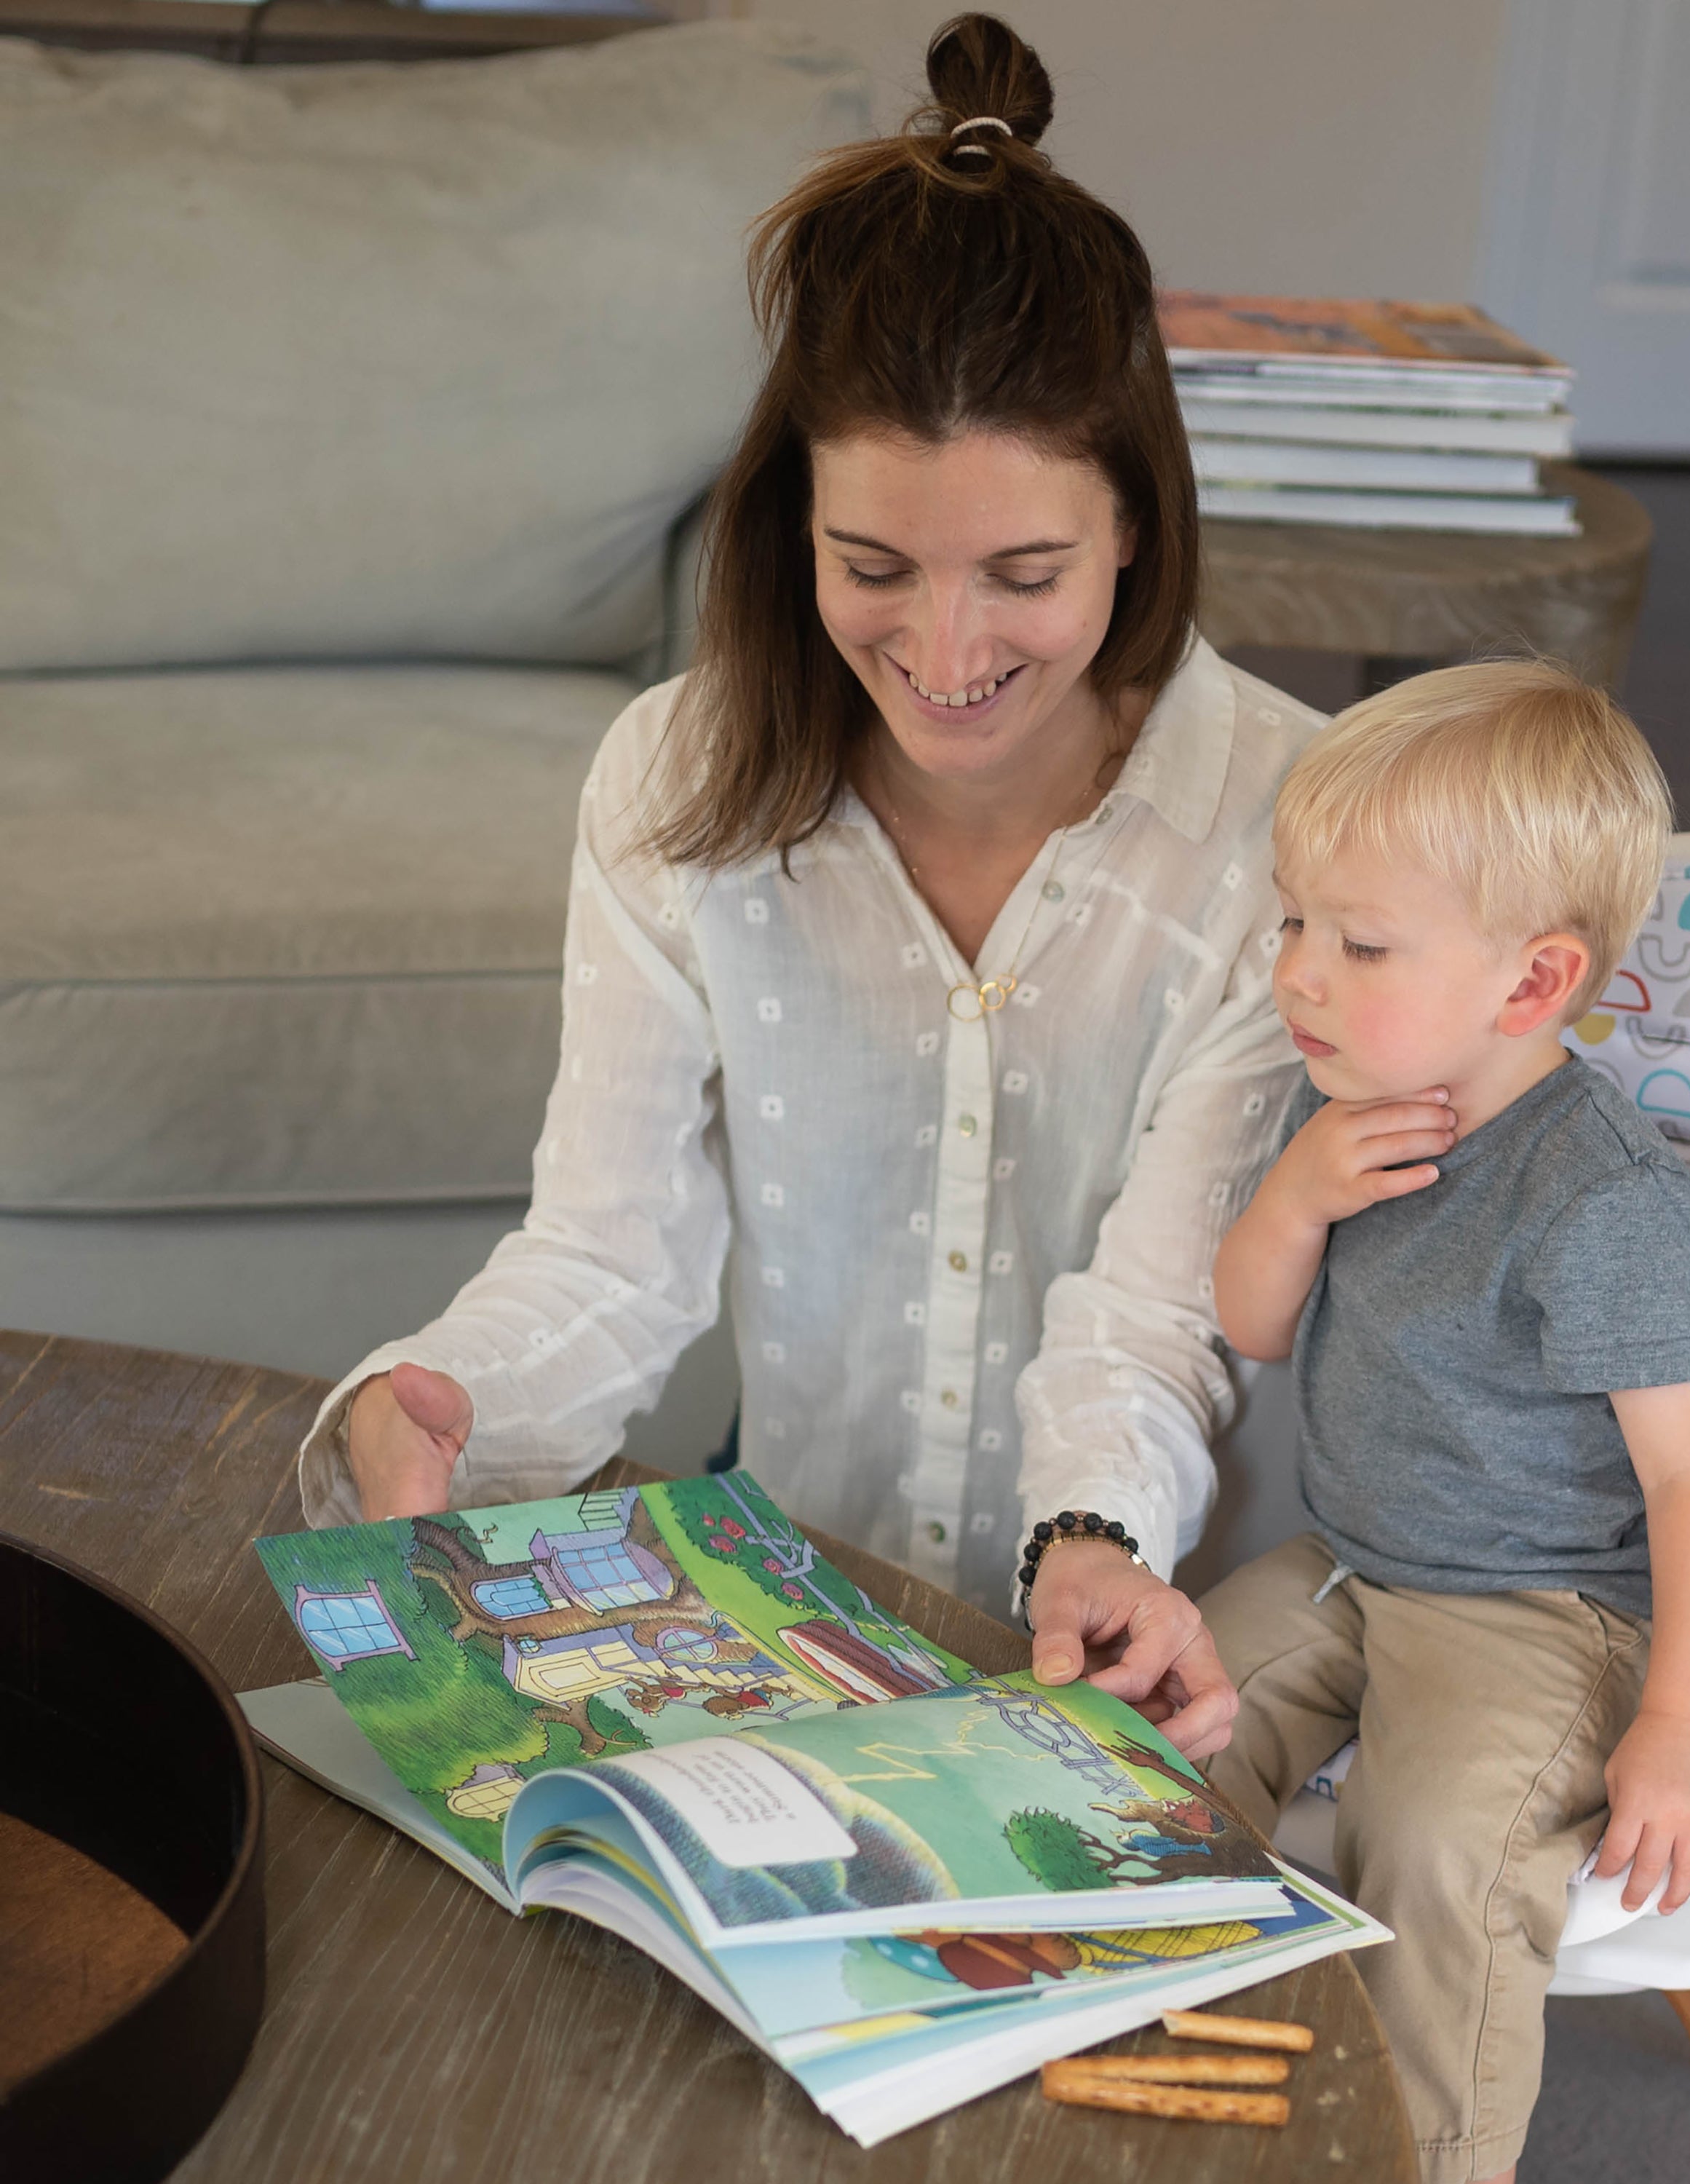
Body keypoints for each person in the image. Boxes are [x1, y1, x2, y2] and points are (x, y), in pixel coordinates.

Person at [295, 14, 1322, 1760]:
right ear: (794, 528)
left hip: (1154, 1625)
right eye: (874, 566)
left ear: (1137, 521)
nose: (942, 650)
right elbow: (611, 1250)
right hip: (797, 1601)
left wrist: (1088, 1545)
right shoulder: (668, 785)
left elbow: (1160, 1319)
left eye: (1024, 571)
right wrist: (435, 1400)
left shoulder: (1286, 823)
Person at [1201, 660, 1690, 2182]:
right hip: (1349, 1564)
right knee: (1134, 1752)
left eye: (1358, 942)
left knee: (1444, 1853)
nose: (1297, 972)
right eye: (1292, 918)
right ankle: (1130, 2082)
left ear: (1530, 985)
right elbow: (1249, 1326)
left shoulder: (1604, 1205)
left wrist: (1682, 1726)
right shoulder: (1361, 1108)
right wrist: (1298, 1199)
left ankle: (1422, 2162)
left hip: (1540, 1610)